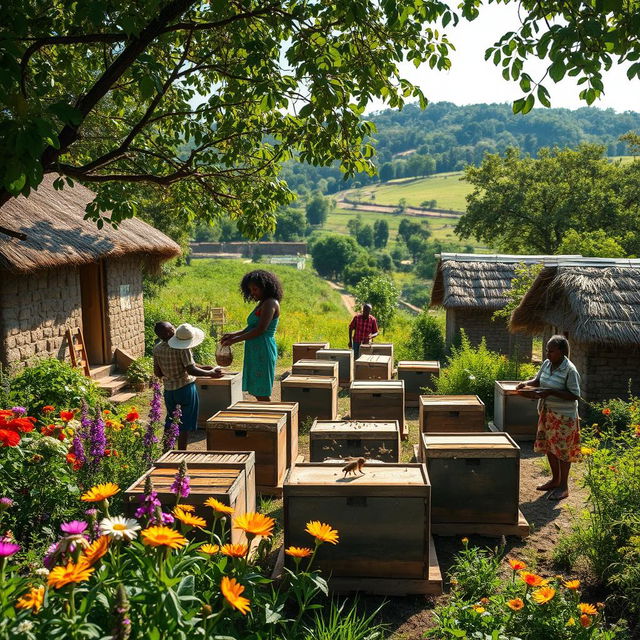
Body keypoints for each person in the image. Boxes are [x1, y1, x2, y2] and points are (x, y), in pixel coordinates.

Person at [516, 335, 581, 500]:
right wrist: (526, 383)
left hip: (564, 417)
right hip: (547, 413)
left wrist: (550, 392)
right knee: (550, 447)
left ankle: (564, 487)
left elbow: (574, 395)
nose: (547, 354)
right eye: (547, 350)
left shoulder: (570, 370)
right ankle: (555, 480)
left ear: (561, 351)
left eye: (551, 351)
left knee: (563, 451)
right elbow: (538, 380)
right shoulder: (547, 364)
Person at [153, 321, 222, 450]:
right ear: (168, 332)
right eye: (171, 328)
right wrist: (210, 373)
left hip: (169, 391)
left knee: (170, 419)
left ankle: (167, 449)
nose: (174, 328)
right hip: (185, 389)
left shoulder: (157, 348)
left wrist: (203, 368)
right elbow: (190, 370)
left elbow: (158, 372)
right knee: (183, 424)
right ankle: (182, 452)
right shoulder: (181, 346)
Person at [220, 270, 282, 401]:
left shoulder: (271, 303)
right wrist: (232, 335)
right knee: (256, 389)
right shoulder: (262, 303)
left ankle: (270, 418)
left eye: (255, 289)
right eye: (251, 290)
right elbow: (251, 327)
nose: (253, 293)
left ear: (265, 287)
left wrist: (235, 340)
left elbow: (260, 330)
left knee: (262, 391)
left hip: (263, 348)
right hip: (255, 348)